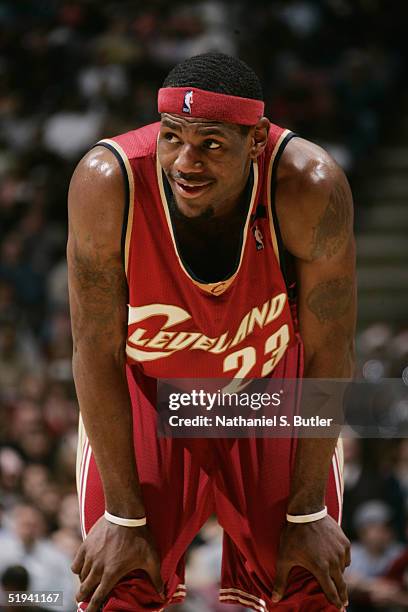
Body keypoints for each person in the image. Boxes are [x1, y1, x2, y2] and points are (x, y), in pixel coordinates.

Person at [67, 52, 356, 611]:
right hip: (151, 394)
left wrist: (306, 511)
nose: (186, 161)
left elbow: (330, 349)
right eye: (173, 137)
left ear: (257, 141)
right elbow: (95, 351)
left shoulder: (308, 184)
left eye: (212, 144)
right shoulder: (107, 182)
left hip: (268, 391)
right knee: (118, 582)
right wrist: (124, 515)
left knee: (307, 579)